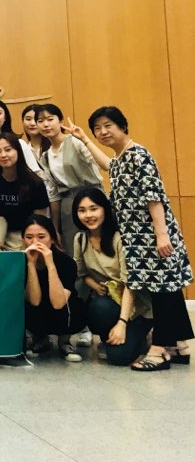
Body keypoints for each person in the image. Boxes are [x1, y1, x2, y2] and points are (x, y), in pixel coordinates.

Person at [71, 106, 193, 371]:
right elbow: (108, 166)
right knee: (168, 288)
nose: (103, 132)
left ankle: (160, 350)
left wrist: (161, 234)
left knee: (162, 290)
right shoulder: (121, 158)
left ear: (123, 126)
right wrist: (84, 139)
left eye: (108, 126)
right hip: (138, 237)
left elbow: (153, 196)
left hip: (152, 235)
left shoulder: (139, 155)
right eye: (97, 128)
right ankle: (180, 346)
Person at [72, 188, 153, 366]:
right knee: (97, 308)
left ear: (105, 210)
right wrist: (95, 285)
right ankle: (110, 337)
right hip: (110, 302)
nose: (88, 215)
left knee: (119, 358)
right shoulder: (80, 239)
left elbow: (130, 285)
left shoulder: (119, 238)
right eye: (82, 210)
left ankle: (141, 336)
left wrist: (122, 323)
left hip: (136, 308)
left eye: (94, 209)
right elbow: (81, 273)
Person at [35, 103, 103, 249]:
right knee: (74, 249)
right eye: (40, 121)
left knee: (101, 243)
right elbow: (53, 194)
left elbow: (98, 165)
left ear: (61, 122)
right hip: (68, 208)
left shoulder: (75, 142)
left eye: (50, 119)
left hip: (93, 199)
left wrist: (84, 138)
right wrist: (54, 227)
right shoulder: (45, 157)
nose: (45, 124)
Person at [23, 214, 86, 362]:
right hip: (37, 310)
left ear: (52, 239)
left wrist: (50, 263)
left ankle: (65, 341)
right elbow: (34, 300)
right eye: (29, 237)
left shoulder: (67, 262)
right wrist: (31, 265)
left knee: (71, 304)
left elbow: (58, 303)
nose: (35, 242)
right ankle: (41, 339)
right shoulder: (21, 261)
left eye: (41, 237)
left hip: (62, 309)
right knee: (26, 305)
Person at [0, 132, 49, 251]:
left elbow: (39, 219)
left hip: (26, 240)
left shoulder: (35, 183)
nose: (3, 155)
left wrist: (27, 244)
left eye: (8, 150)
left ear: (18, 151)